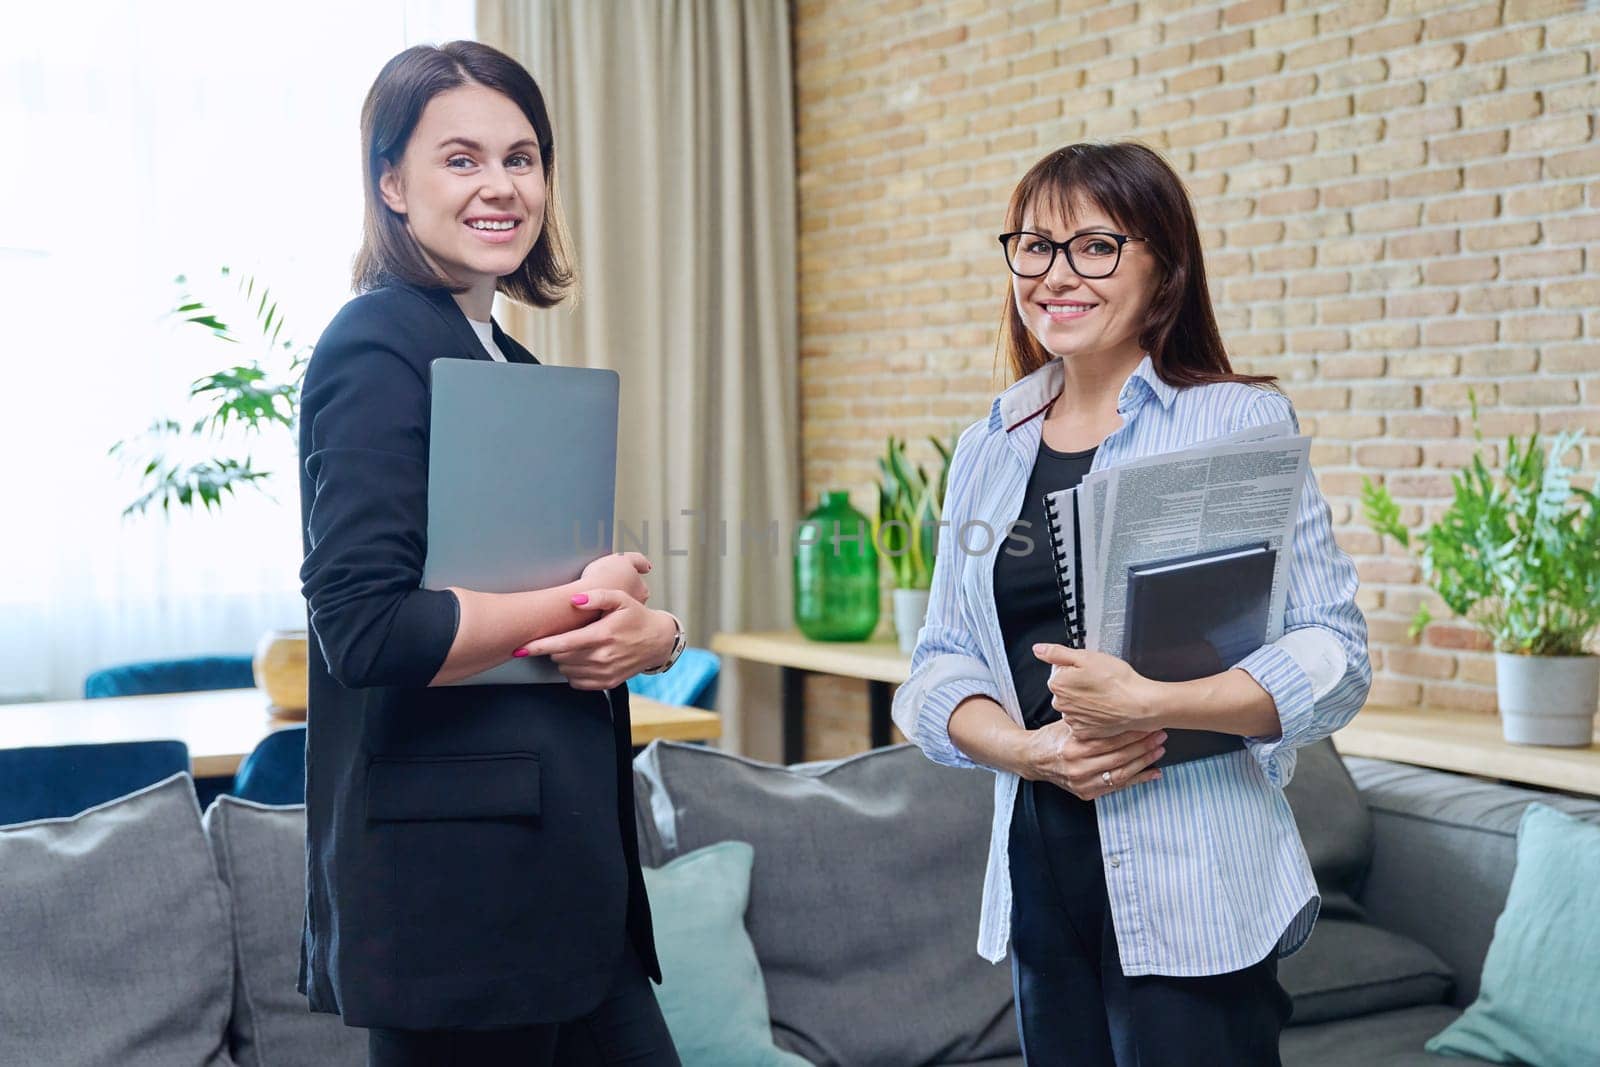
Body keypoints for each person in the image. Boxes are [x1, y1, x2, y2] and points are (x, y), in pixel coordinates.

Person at [890, 142, 1372, 1066]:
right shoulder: (987, 447)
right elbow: (938, 665)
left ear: (1163, 271)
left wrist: (1157, 705)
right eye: (1033, 246)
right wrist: (1030, 749)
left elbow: (1336, 651)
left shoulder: (1235, 423)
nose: (1056, 275)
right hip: (1040, 869)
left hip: (1197, 875)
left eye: (1095, 247)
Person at [296, 41, 683, 1066]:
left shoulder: (507, 359)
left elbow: (542, 598)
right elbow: (365, 625)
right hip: (457, 903)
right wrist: (576, 604)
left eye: (522, 157)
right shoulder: (373, 345)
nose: (501, 185)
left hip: (568, 886)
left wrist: (648, 629)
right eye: (460, 158)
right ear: (391, 182)